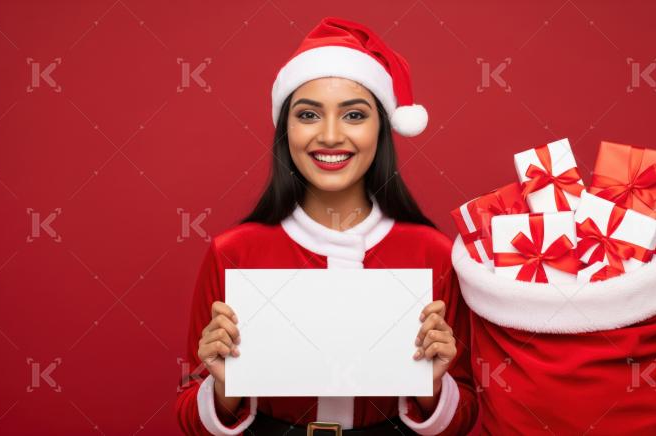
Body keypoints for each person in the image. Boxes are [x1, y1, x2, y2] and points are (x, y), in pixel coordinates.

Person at [175, 17, 478, 435]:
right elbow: (189, 413)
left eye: (354, 114)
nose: (331, 136)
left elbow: (466, 416)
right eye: (309, 115)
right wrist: (223, 387)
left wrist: (432, 387)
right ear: (287, 130)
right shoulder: (234, 252)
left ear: (382, 129)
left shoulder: (434, 252)